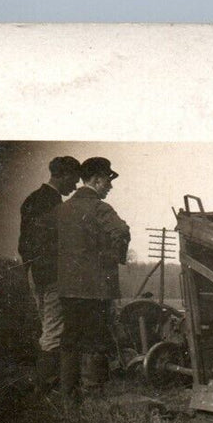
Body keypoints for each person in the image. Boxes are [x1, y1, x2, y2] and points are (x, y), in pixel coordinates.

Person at [54, 156, 130, 403]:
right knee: (96, 339)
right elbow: (121, 231)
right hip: (96, 288)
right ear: (97, 180)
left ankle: (68, 396)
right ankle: (93, 396)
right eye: (108, 180)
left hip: (67, 287)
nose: (110, 186)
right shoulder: (100, 208)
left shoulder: (62, 209)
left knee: (70, 339)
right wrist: (109, 258)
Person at [17, 155, 81, 392]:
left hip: (35, 273)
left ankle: (45, 387)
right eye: (73, 180)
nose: (74, 186)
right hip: (53, 276)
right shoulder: (55, 204)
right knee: (54, 332)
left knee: (47, 329)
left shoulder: (31, 199)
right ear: (62, 175)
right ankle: (45, 390)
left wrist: (31, 270)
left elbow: (24, 244)